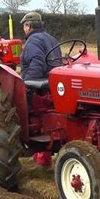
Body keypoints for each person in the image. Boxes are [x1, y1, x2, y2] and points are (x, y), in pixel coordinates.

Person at [20, 12, 61, 167]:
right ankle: (43, 158)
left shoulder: (32, 41)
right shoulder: (51, 38)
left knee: (22, 108)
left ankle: (30, 147)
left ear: (28, 26)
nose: (24, 29)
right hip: (53, 82)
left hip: (40, 84)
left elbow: (37, 63)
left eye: (24, 26)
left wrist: (27, 84)